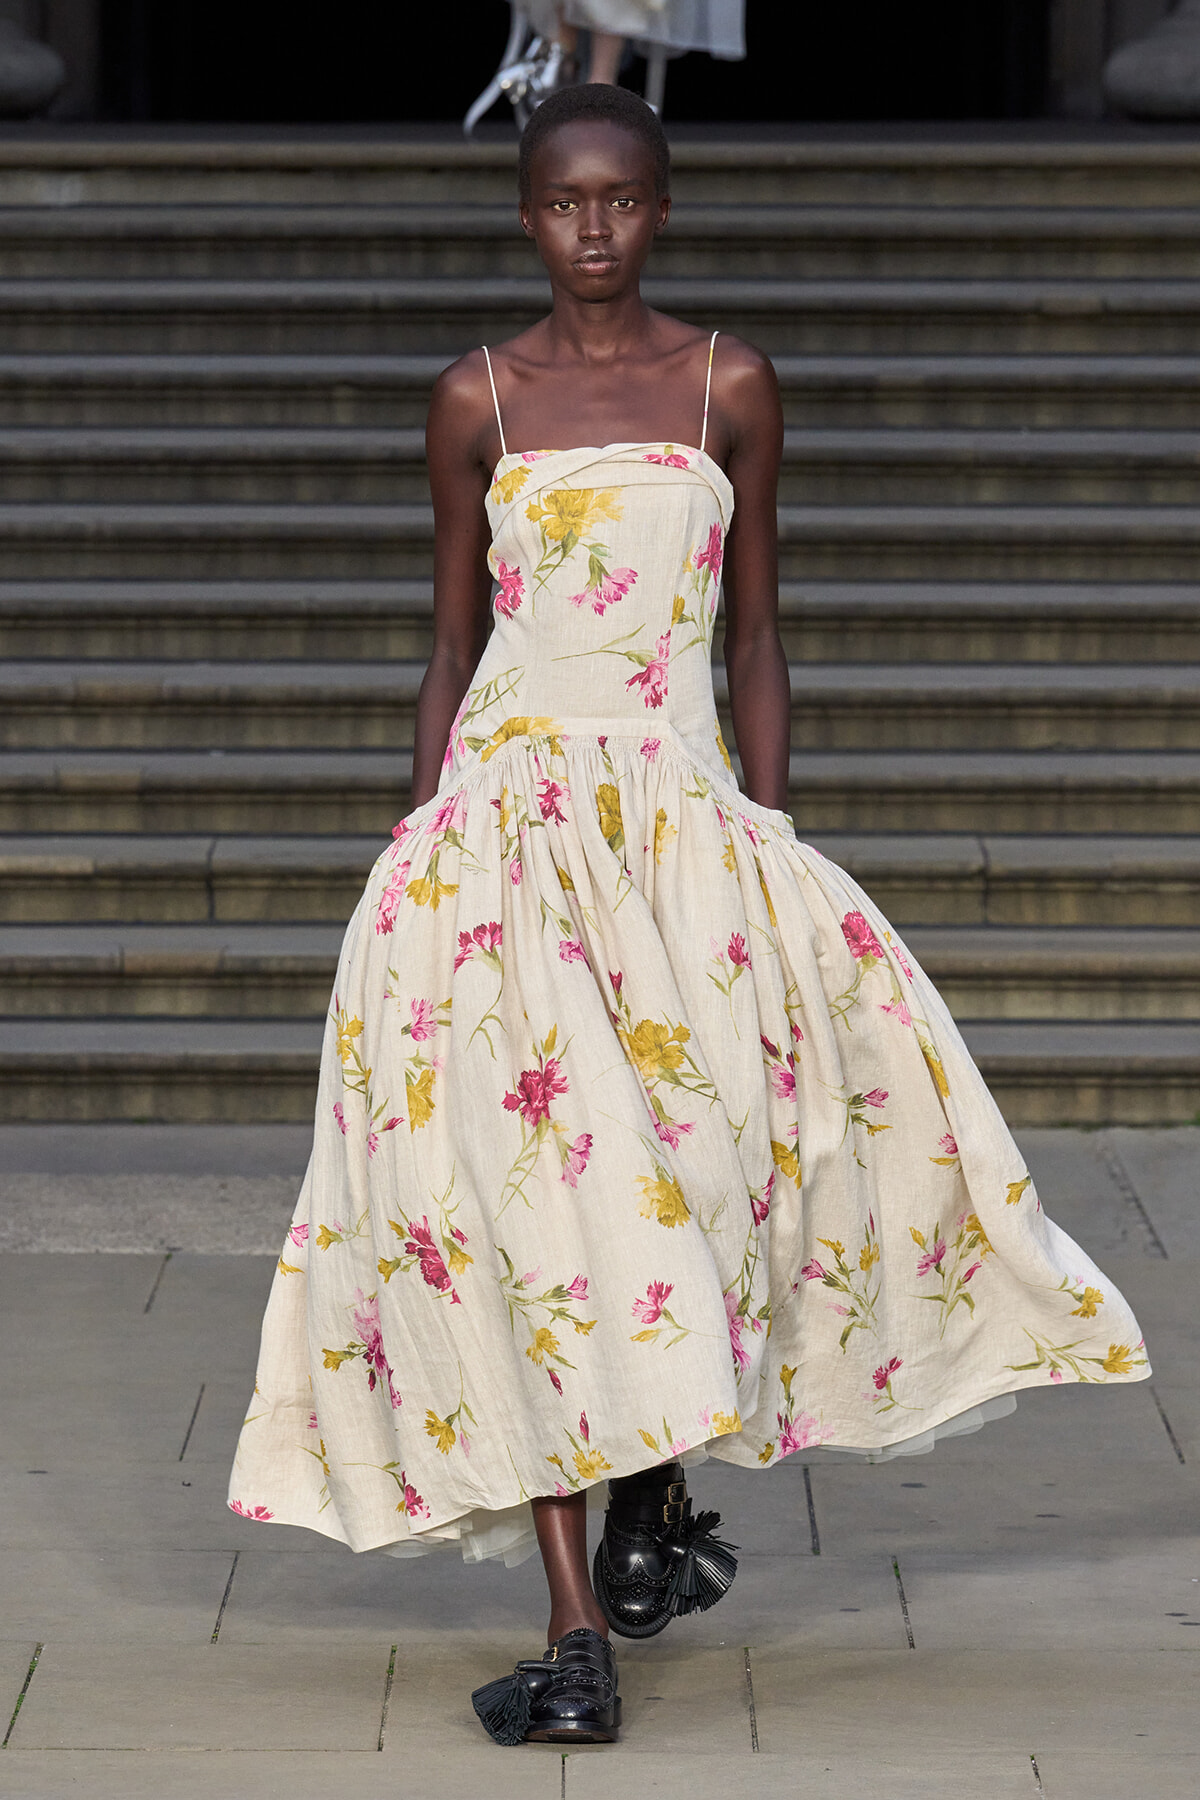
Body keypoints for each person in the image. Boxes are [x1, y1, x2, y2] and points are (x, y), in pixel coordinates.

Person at [228, 83, 1149, 1748]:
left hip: (681, 833)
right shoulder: (474, 399)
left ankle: (651, 1481)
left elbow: (757, 630)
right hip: (505, 841)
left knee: (711, 1173)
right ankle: (574, 1629)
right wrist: (422, 832)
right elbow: (449, 642)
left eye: (621, 198)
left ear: (661, 208)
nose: (593, 227)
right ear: (526, 216)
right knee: (529, 1210)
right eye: (563, 201)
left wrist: (766, 826)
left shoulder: (730, 385)